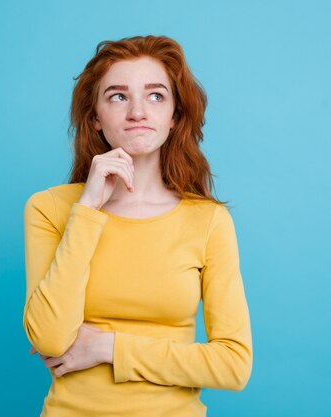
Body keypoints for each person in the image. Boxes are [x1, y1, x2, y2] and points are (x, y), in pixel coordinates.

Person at [23, 35, 253, 417]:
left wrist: (107, 347)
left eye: (155, 96)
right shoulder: (50, 209)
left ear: (175, 116)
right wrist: (88, 209)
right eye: (117, 96)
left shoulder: (209, 222)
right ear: (94, 116)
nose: (137, 112)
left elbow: (233, 364)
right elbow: (48, 336)